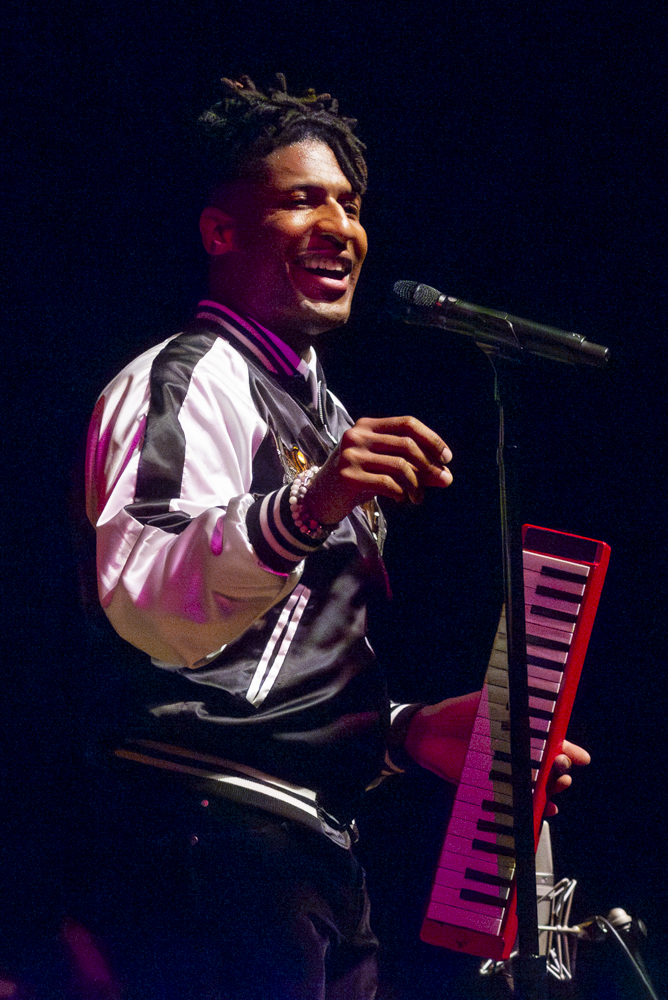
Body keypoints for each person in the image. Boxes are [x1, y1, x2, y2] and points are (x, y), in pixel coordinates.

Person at [82, 74, 588, 1000]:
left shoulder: (322, 412)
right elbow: (145, 599)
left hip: (307, 846)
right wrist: (308, 506)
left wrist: (401, 734)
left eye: (349, 203)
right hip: (213, 828)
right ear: (220, 232)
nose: (339, 223)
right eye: (301, 198)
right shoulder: (193, 376)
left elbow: (269, 657)